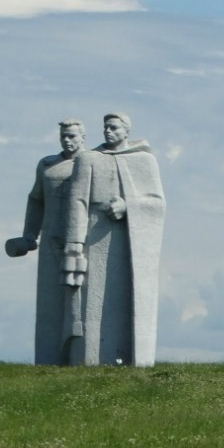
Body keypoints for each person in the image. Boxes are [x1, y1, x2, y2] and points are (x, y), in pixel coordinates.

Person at [63, 113, 166, 367]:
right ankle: (90, 359)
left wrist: (128, 205)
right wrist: (75, 243)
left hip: (129, 241)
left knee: (126, 299)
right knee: (91, 300)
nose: (108, 132)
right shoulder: (89, 159)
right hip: (94, 235)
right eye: (105, 127)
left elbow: (157, 202)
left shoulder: (144, 160)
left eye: (114, 127)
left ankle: (128, 357)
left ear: (126, 131)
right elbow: (77, 201)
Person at [7, 119, 86, 365]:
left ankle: (82, 356)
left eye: (72, 136)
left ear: (83, 137)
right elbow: (36, 200)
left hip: (83, 244)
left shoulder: (91, 164)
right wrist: (30, 234)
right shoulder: (47, 166)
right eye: (64, 136)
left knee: (80, 303)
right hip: (51, 241)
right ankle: (49, 359)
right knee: (50, 302)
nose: (67, 140)